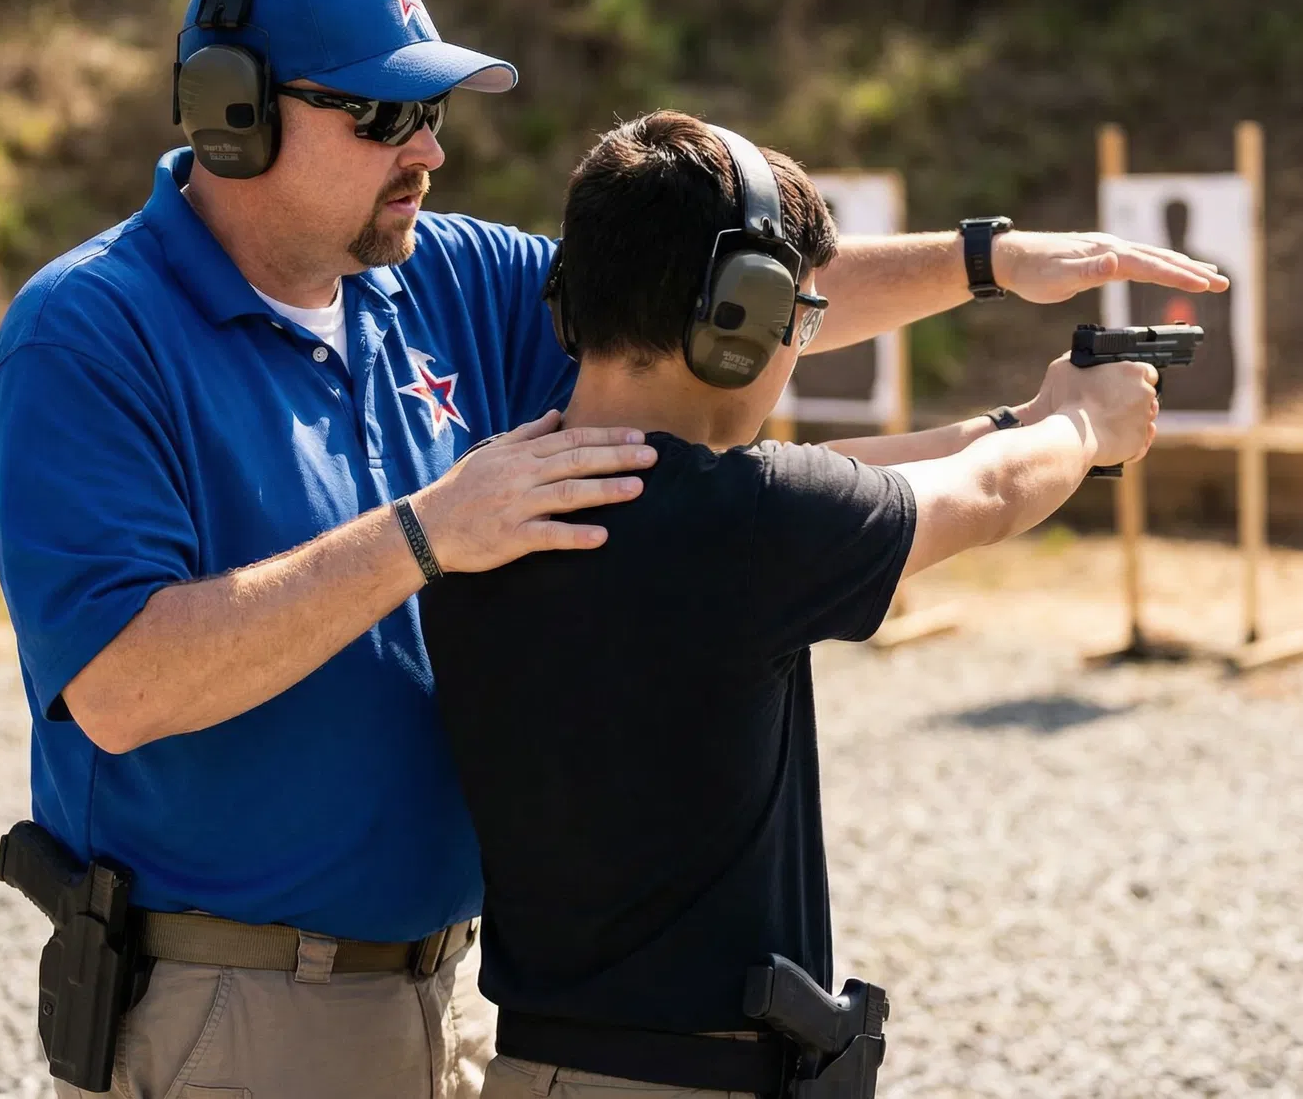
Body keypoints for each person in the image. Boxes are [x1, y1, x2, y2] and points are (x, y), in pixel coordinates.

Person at [0, 0, 1223, 1099]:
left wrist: (987, 263)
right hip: (235, 1004)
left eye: (435, 108)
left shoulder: (434, 276)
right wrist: (424, 535)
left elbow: (703, 291)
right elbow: (122, 685)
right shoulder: (90, 337)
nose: (430, 146)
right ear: (231, 116)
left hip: (457, 994)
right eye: (384, 112)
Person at [419, 111, 1162, 1099]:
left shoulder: (489, 495)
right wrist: (1082, 422)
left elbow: (814, 484)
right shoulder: (747, 526)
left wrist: (1016, 421)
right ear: (738, 318)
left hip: (534, 1065)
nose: (797, 349)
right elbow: (981, 497)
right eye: (799, 321)